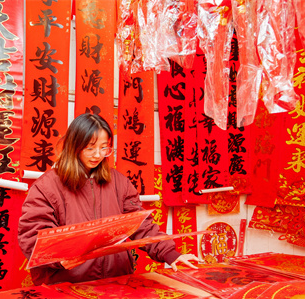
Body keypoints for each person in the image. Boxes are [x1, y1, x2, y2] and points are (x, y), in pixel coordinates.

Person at [18, 113, 201, 285]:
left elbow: (141, 225)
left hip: (117, 282)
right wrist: (60, 258)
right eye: (90, 147)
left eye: (103, 147)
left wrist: (170, 254)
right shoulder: (47, 186)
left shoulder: (118, 182)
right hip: (69, 285)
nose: (98, 155)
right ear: (74, 145)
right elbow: (34, 237)